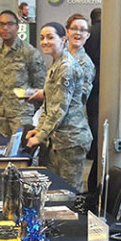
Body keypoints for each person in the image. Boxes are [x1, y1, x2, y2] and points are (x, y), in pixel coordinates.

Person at [26, 22, 92, 191]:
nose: (45, 42)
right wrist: (39, 129)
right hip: (57, 139)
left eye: (50, 37)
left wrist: (40, 137)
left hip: (70, 140)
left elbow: (58, 109)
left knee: (68, 193)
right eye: (42, 38)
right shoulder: (56, 63)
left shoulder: (66, 67)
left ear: (63, 40)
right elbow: (49, 103)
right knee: (52, 189)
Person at [0, 10, 46, 137]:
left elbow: (39, 86)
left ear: (17, 27)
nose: (5, 28)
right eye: (1, 24)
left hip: (21, 115)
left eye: (10, 24)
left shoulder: (29, 52)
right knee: (1, 153)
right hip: (1, 115)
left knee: (21, 153)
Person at [84, 8, 101, 193]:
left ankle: (94, 149)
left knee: (93, 116)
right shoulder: (111, 30)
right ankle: (96, 148)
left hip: (93, 81)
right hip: (106, 79)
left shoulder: (91, 33)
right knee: (98, 117)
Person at [65, 13, 95, 105]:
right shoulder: (61, 57)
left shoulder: (85, 64)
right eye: (74, 28)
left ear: (87, 35)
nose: (78, 32)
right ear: (67, 31)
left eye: (82, 30)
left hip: (72, 117)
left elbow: (80, 98)